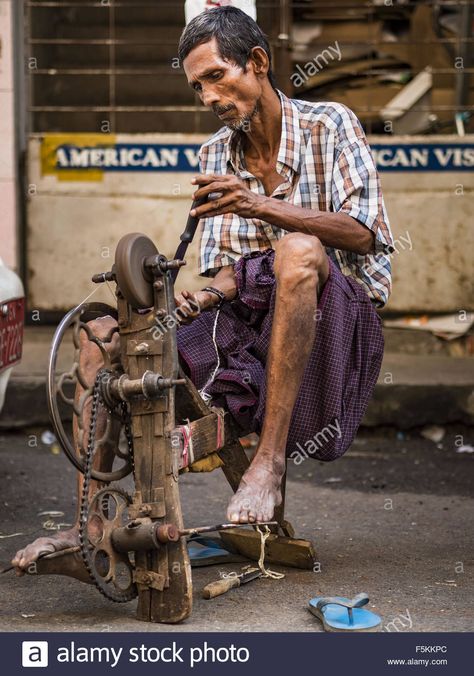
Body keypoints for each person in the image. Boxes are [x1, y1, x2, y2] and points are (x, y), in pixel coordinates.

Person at [12, 6, 393, 575]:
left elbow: (364, 235)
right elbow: (227, 272)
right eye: (197, 86)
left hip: (340, 318)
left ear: (257, 63)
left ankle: (268, 464)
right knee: (102, 337)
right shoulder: (215, 154)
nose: (207, 96)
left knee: (297, 250)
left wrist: (259, 203)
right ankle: (88, 527)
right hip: (253, 317)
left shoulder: (330, 124)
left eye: (216, 76)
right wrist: (201, 297)